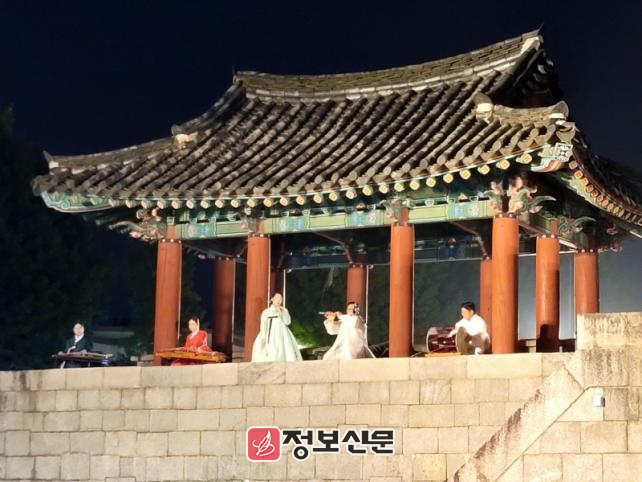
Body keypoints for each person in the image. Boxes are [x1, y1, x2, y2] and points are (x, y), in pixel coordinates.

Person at [251, 293, 303, 362]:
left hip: (282, 335)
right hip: (270, 335)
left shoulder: (283, 311)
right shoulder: (266, 312)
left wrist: (283, 312)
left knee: (283, 352)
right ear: (272, 299)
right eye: (277, 298)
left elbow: (287, 322)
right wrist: (263, 337)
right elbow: (263, 324)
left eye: (280, 299)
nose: (279, 300)